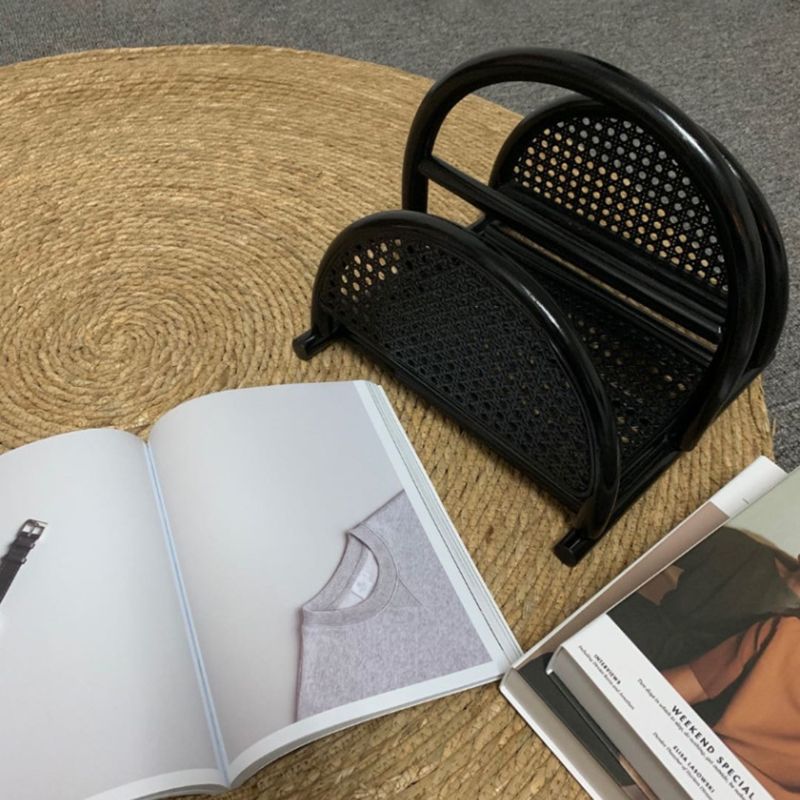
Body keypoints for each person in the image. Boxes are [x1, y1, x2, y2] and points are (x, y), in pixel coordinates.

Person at [609, 526, 800, 669]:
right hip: (635, 629)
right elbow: (645, 540)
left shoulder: (790, 631)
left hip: (680, 677)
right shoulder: (740, 547)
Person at [663, 614, 800, 800]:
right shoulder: (784, 635)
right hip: (685, 770)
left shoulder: (785, 635)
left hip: (687, 769)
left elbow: (681, 687)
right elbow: (680, 687)